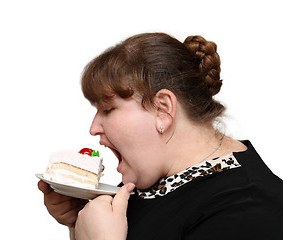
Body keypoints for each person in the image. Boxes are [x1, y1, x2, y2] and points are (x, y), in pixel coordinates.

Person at [38, 33, 283, 240]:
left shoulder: (248, 211)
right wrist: (78, 224)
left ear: (163, 109)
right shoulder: (154, 176)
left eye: (107, 109)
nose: (94, 128)